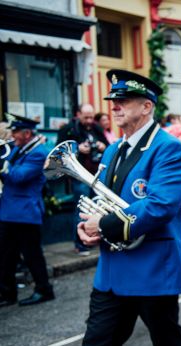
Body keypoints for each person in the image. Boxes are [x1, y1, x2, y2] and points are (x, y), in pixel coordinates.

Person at [67, 69, 181, 346]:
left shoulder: (169, 148)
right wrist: (83, 231)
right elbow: (97, 200)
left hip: (152, 270)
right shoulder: (112, 149)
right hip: (110, 273)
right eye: (114, 102)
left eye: (123, 102)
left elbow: (160, 205)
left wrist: (102, 224)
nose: (115, 107)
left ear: (147, 106)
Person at [0, 114, 53, 307]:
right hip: (9, 211)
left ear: (27, 133)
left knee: (32, 255)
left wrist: (2, 163)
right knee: (5, 256)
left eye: (15, 132)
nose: (12, 135)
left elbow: (18, 177)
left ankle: (44, 289)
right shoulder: (19, 149)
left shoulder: (38, 153)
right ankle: (7, 293)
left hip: (25, 212)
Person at [58, 103, 109, 255]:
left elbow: (108, 146)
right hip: (79, 176)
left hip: (96, 175)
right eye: (86, 117)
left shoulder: (96, 128)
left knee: (97, 208)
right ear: (78, 114)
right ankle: (80, 244)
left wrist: (102, 146)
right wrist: (78, 149)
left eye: (91, 117)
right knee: (81, 210)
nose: (89, 121)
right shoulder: (68, 129)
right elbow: (59, 152)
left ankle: (94, 239)